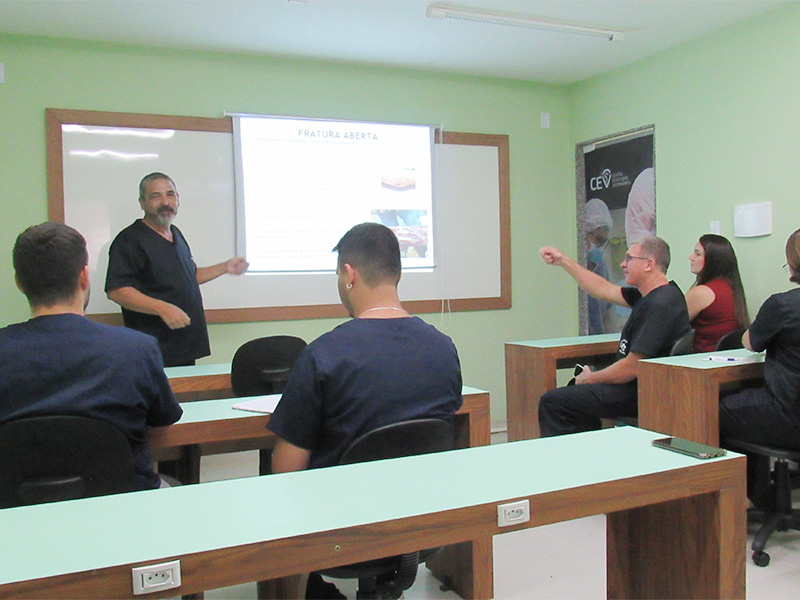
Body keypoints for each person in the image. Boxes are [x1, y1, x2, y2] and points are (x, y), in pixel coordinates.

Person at [267, 222, 462, 599]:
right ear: (397, 273)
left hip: (340, 532)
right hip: (419, 525)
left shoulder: (322, 356)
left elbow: (286, 474)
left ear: (348, 274)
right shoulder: (444, 348)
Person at [0, 222, 182, 491]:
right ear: (84, 277)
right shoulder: (137, 349)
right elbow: (161, 428)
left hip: (14, 513)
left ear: (19, 283)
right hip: (122, 505)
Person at [538, 236, 690, 436]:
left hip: (641, 392)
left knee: (553, 402)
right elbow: (602, 289)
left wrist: (592, 378)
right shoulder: (656, 295)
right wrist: (563, 261)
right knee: (573, 390)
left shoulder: (659, 305)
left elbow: (633, 366)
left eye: (629, 258)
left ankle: (568, 462)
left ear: (649, 264)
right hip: (638, 387)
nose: (623, 263)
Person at [105, 172, 249, 367]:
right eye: (156, 196)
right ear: (142, 202)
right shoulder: (130, 240)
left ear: (178, 200)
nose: (165, 202)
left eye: (170, 194)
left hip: (184, 344)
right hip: (154, 349)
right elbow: (117, 290)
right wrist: (163, 308)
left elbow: (188, 276)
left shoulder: (176, 234)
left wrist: (224, 267)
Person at [719, 228, 800, 503]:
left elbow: (751, 343)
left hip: (787, 417)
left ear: (792, 263)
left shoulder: (783, 306)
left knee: (708, 410)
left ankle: (739, 502)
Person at [686, 234, 750, 352]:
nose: (691, 257)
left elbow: (670, 326)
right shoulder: (731, 287)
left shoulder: (702, 292)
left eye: (698, 254)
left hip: (703, 360)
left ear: (713, 260)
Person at [584, 198, 613, 334]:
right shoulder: (574, 268)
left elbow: (606, 314)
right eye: (598, 239)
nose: (600, 246)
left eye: (603, 242)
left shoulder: (601, 268)